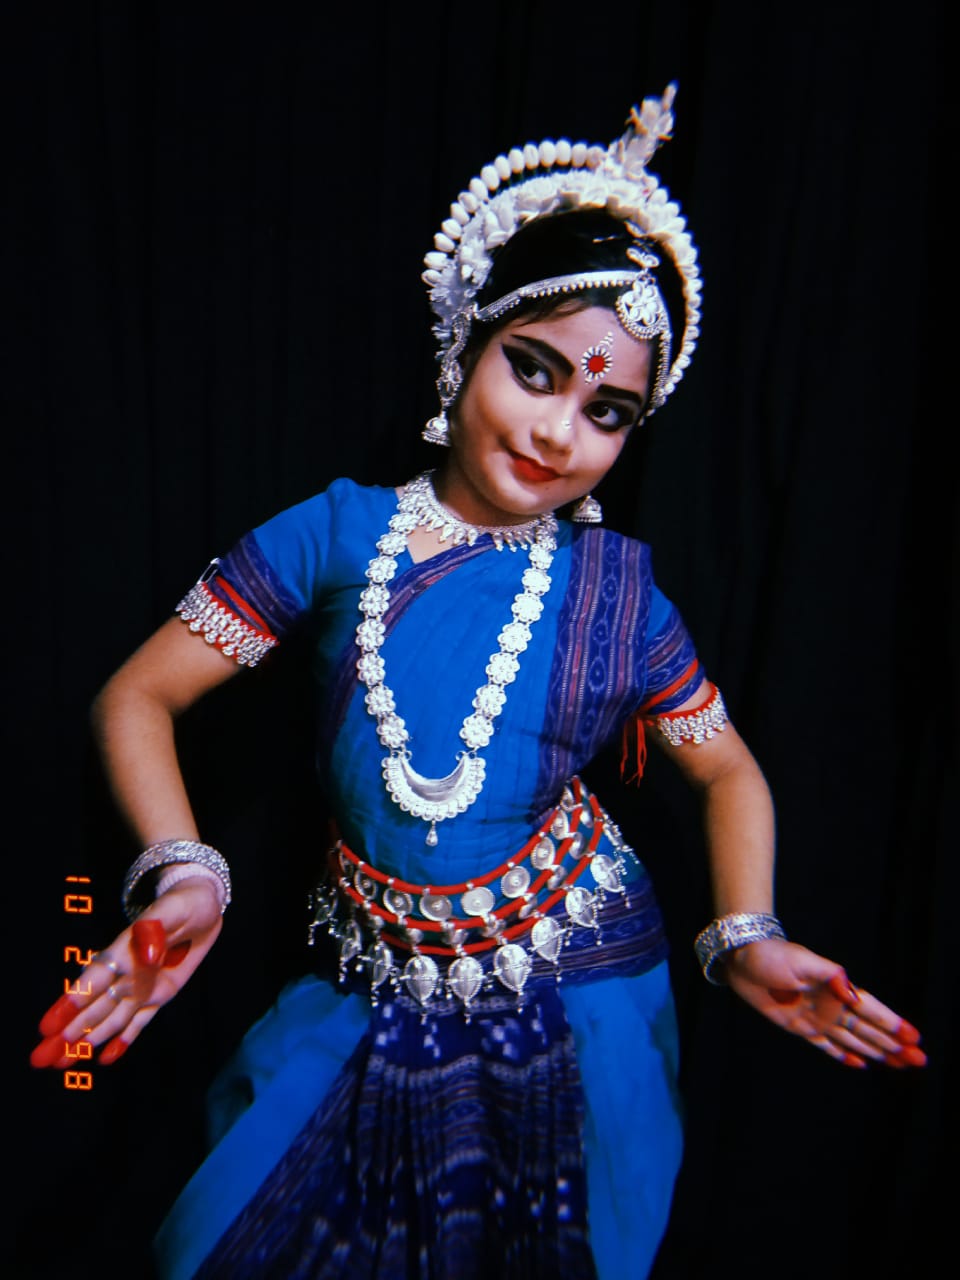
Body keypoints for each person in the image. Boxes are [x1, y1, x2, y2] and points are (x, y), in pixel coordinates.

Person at [31, 86, 925, 1279]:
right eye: (535, 369)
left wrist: (746, 932)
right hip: (368, 975)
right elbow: (135, 697)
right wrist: (184, 868)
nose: (559, 431)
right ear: (464, 343)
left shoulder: (616, 594)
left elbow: (727, 770)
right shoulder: (336, 534)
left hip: (579, 988)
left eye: (606, 409)